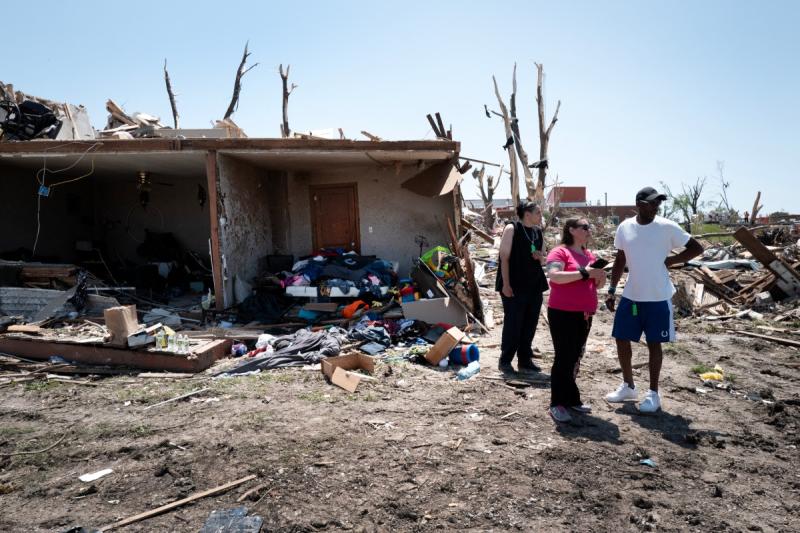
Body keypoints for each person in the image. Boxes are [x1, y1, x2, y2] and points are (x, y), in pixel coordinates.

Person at [605, 187, 704, 412]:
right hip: (631, 296)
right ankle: (628, 386)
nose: (656, 206)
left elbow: (697, 248)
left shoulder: (667, 227)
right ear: (639, 204)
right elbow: (620, 258)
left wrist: (671, 262)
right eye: (652, 203)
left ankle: (653, 393)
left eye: (658, 203)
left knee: (653, 343)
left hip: (658, 297)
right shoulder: (625, 227)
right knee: (621, 338)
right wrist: (612, 289)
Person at [545, 218, 607, 422]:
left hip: (585, 313)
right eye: (585, 227)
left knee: (575, 357)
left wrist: (600, 276)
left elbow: (595, 286)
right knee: (564, 357)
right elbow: (555, 276)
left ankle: (572, 399)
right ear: (571, 230)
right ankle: (557, 403)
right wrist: (584, 272)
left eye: (590, 226)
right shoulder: (560, 252)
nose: (589, 230)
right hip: (562, 312)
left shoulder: (589, 255)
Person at [496, 200, 549, 374]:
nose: (541, 216)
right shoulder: (512, 229)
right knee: (514, 323)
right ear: (527, 214)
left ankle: (525, 360)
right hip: (514, 284)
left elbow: (544, 258)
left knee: (530, 324)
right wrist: (506, 284)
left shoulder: (538, 232)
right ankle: (505, 361)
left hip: (534, 285)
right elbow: (504, 258)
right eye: (538, 213)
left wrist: (539, 257)